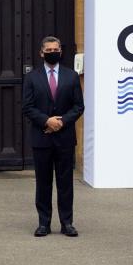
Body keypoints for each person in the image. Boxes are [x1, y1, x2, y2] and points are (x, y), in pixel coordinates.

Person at [21, 36, 85, 237]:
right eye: (48, 50)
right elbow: (27, 107)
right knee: (43, 182)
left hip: (65, 137)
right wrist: (46, 121)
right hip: (42, 138)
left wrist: (61, 122)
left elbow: (78, 106)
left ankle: (67, 223)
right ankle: (44, 223)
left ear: (61, 51)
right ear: (41, 53)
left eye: (55, 49)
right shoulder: (32, 78)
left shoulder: (71, 76)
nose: (52, 52)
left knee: (65, 182)